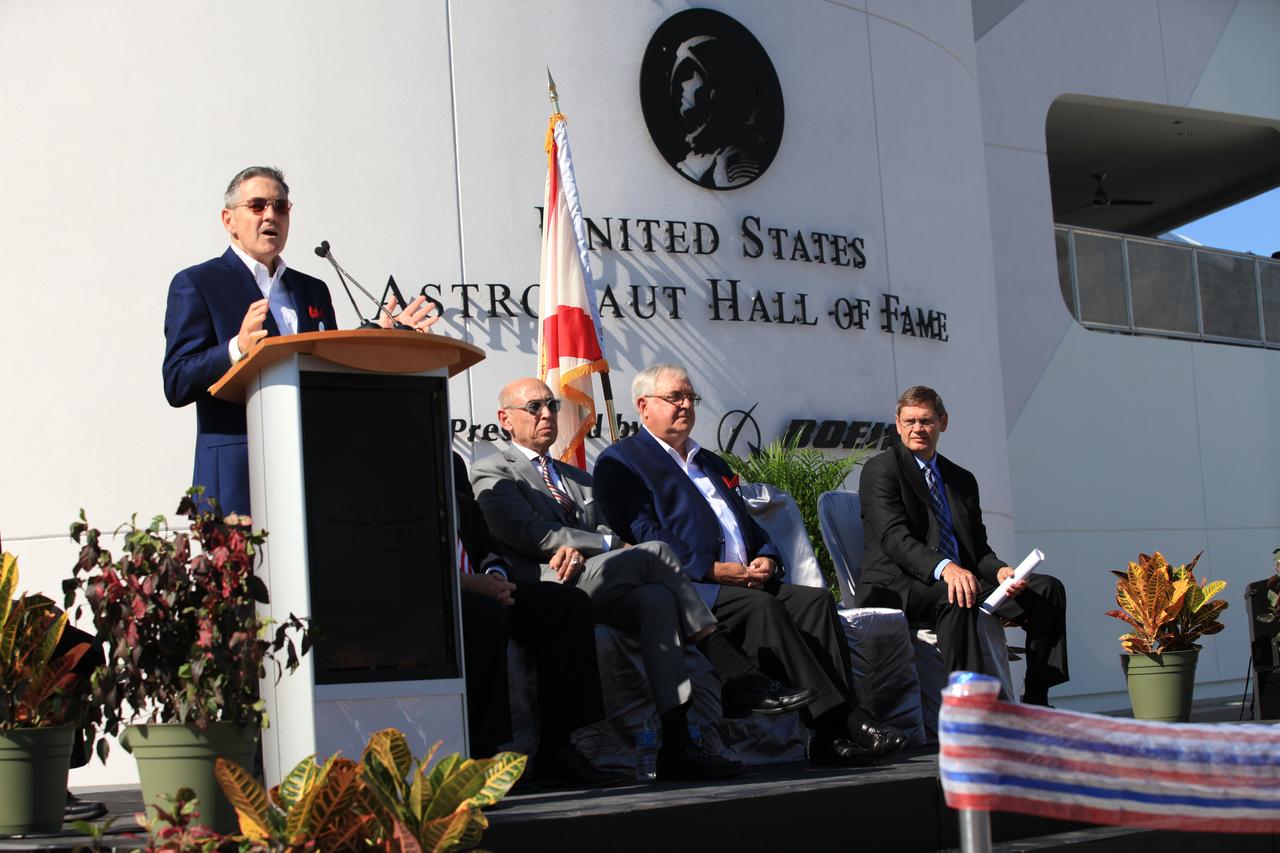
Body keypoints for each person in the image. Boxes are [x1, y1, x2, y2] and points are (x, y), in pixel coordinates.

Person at [472, 379, 818, 779]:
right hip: (547, 584)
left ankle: (677, 743)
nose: (547, 414)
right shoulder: (490, 470)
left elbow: (606, 529)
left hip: (595, 579)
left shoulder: (576, 476)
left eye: (551, 404)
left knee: (656, 599)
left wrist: (591, 544)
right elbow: (532, 534)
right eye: (535, 407)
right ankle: (725, 661)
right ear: (505, 419)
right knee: (656, 552)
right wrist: (593, 543)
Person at [593, 365, 906, 765]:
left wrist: (767, 556)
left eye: (691, 397)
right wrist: (712, 569)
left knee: (814, 601)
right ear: (643, 406)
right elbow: (645, 534)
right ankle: (847, 720)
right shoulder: (623, 461)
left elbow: (746, 523)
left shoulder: (710, 462)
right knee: (763, 607)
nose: (686, 405)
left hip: (744, 579)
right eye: (675, 398)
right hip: (690, 586)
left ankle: (826, 739)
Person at [161, 166, 436, 514]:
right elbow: (177, 380)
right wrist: (236, 349)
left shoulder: (312, 289)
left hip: (315, 469)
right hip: (240, 474)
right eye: (257, 205)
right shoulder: (198, 283)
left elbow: (323, 368)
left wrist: (378, 340)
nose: (270, 215)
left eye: (280, 206)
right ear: (228, 220)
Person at [856, 385, 1068, 706]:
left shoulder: (961, 479)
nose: (918, 429)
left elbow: (977, 549)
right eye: (910, 421)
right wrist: (946, 568)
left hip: (961, 576)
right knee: (957, 595)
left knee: (1047, 591)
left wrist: (1000, 572)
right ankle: (967, 706)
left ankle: (1037, 699)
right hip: (900, 583)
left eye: (926, 421)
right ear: (898, 424)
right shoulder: (881, 470)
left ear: (943, 422)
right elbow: (894, 539)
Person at [453, 452, 625, 787]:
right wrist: (465, 584)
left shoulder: (451, 462)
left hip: (486, 584)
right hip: (436, 592)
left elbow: (481, 536)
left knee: (565, 604)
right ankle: (483, 758)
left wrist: (495, 574)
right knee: (482, 614)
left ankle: (559, 750)